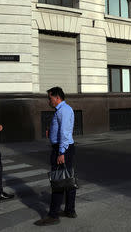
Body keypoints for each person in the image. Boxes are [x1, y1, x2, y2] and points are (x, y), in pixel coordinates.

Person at [35, 87, 76, 226]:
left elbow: (64, 133)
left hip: (62, 148)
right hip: (65, 147)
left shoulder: (63, 110)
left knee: (58, 181)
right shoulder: (64, 110)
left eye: (49, 98)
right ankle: (70, 210)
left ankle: (53, 215)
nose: (48, 101)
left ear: (57, 97)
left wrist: (61, 152)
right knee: (68, 179)